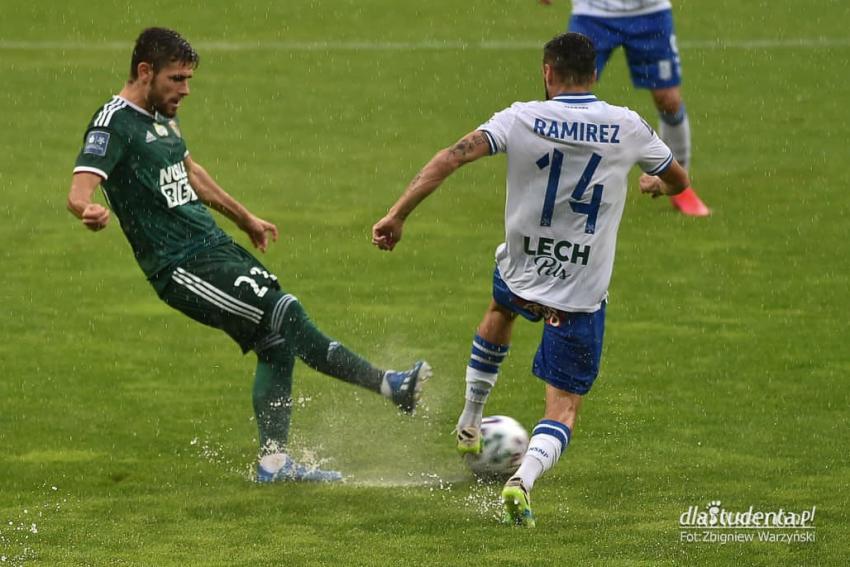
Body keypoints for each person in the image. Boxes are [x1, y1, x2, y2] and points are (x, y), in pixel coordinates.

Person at [67, 27, 430, 483]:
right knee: (286, 313)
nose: (185, 90)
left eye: (188, 80)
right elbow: (79, 189)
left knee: (275, 346)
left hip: (216, 247)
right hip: (181, 266)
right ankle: (389, 385)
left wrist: (245, 219)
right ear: (145, 71)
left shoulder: (162, 115)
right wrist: (89, 209)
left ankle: (274, 465)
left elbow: (189, 170)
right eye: (177, 79)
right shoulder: (112, 123)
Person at [372, 32, 688, 526]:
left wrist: (397, 215)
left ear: (547, 72)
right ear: (596, 75)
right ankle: (524, 480)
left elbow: (451, 156)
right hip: (580, 293)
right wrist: (653, 180)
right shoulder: (627, 125)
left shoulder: (520, 117)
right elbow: (679, 178)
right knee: (562, 408)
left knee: (500, 310)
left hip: (521, 272)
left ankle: (470, 417)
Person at [540, 0, 709, 217]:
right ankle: (552, 182)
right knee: (563, 93)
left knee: (669, 100)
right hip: (592, 13)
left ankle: (679, 184)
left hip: (650, 12)